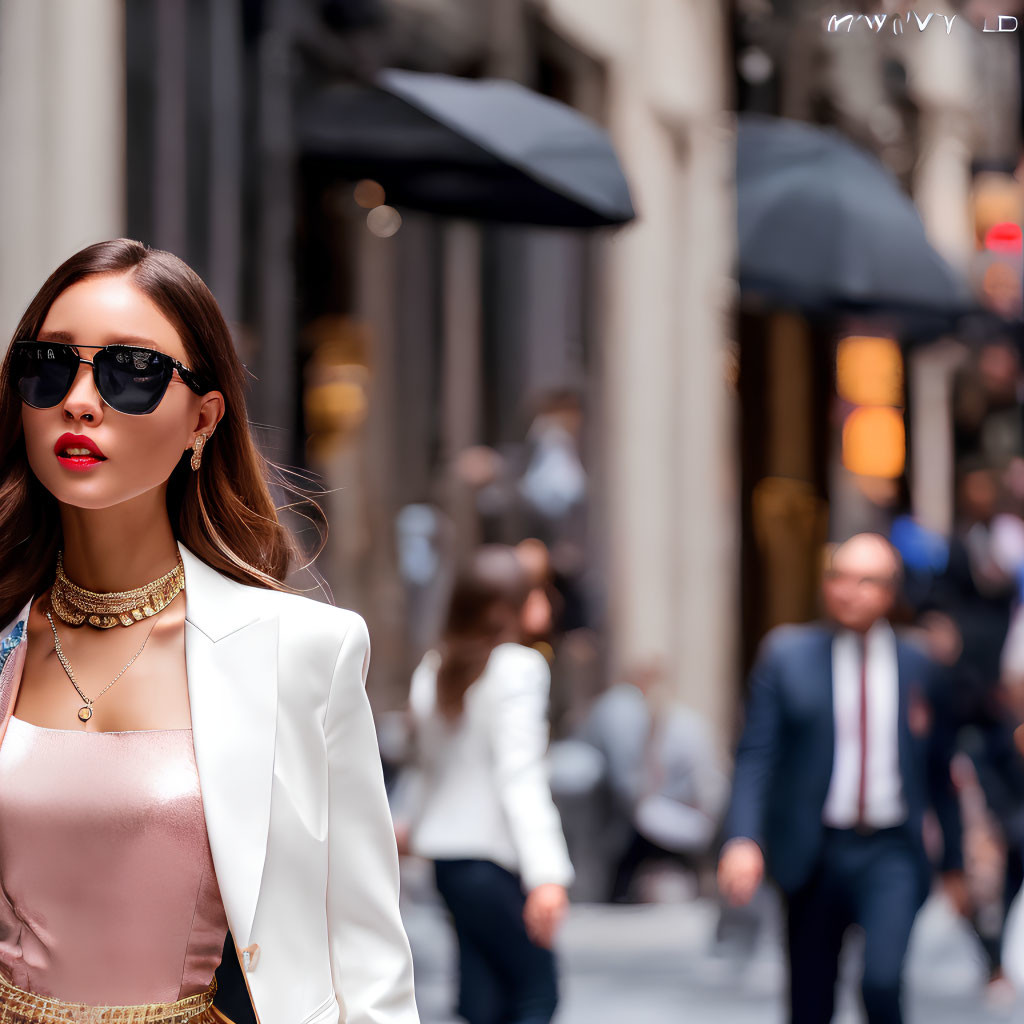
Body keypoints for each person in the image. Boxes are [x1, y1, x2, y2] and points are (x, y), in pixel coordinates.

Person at [0, 239, 418, 1024]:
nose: (80, 400)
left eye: (133, 371)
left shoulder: (301, 654)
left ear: (203, 418)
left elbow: (365, 962)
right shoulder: (6, 642)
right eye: (50, 365)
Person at [718, 533, 964, 1024]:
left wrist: (954, 863)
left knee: (881, 981)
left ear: (891, 592)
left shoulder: (921, 667)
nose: (848, 591)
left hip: (891, 850)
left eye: (866, 580)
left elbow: (940, 770)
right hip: (814, 851)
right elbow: (756, 757)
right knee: (810, 1001)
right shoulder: (787, 656)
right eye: (838, 577)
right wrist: (742, 837)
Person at [396, 545, 574, 1024]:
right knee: (536, 992)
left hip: (448, 864)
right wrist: (547, 875)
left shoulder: (432, 669)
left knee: (482, 1000)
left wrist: (411, 824)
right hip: (492, 863)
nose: (546, 600)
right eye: (533, 590)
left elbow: (428, 766)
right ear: (508, 604)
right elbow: (522, 776)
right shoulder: (519, 668)